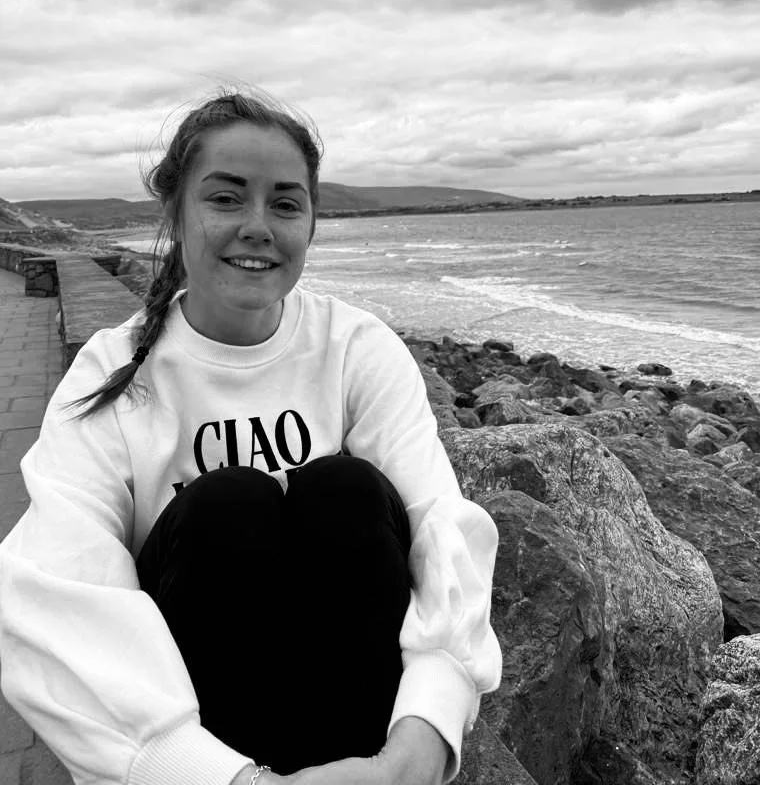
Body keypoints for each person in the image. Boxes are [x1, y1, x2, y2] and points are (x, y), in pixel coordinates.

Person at [0, 90, 503, 785]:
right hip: (207, 730)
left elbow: (441, 527)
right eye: (226, 199)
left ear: (312, 223)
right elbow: (56, 579)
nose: (258, 227)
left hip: (358, 723)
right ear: (175, 213)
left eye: (286, 205)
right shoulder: (112, 374)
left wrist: (422, 738)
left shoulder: (356, 347)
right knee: (227, 502)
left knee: (345, 488)